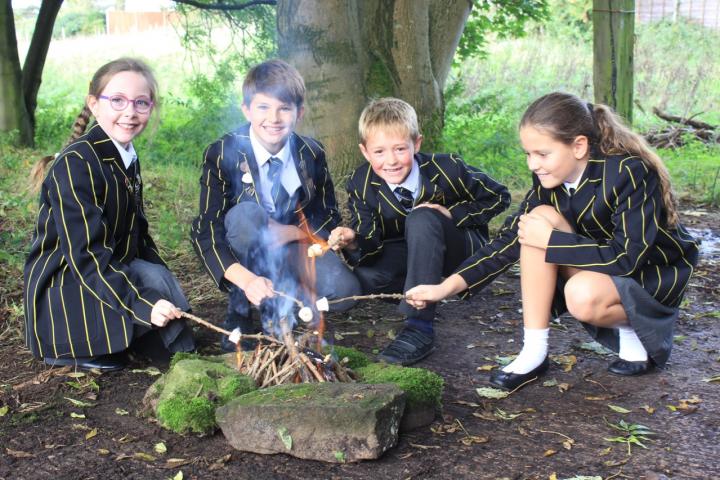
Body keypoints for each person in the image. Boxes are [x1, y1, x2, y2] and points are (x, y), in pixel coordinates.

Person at [405, 92, 699, 389]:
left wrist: (551, 241)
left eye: (542, 154)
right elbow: (511, 241)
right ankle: (534, 352)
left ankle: (634, 330)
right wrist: (446, 286)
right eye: (528, 154)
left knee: (580, 293)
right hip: (597, 267)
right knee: (536, 220)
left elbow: (627, 258)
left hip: (649, 273)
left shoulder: (629, 172)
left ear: (579, 146)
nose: (533, 164)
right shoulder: (550, 178)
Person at [24, 58, 194, 372]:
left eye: (141, 103)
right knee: (152, 311)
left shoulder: (124, 155)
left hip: (109, 268)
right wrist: (144, 304)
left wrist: (164, 291)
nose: (130, 112)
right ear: (94, 104)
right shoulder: (76, 165)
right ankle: (71, 346)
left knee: (156, 278)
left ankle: (181, 357)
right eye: (117, 100)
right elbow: (87, 256)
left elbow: (137, 234)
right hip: (71, 281)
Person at [190, 59, 360, 351]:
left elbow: (326, 214)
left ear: (299, 113)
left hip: (294, 245)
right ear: (246, 110)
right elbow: (206, 228)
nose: (274, 118)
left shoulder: (311, 153)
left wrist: (299, 233)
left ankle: (287, 294)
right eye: (263, 107)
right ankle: (240, 308)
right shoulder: (221, 153)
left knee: (345, 293)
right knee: (245, 216)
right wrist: (243, 278)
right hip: (245, 247)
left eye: (285, 108)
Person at [329, 97, 510, 366]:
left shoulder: (448, 168)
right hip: (407, 250)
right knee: (367, 276)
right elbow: (371, 240)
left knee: (423, 216)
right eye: (379, 152)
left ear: (417, 143)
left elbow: (499, 196)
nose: (390, 160)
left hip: (458, 249)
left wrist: (454, 214)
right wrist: (354, 241)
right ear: (365, 152)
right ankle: (420, 286)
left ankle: (419, 325)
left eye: (400, 149)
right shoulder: (361, 182)